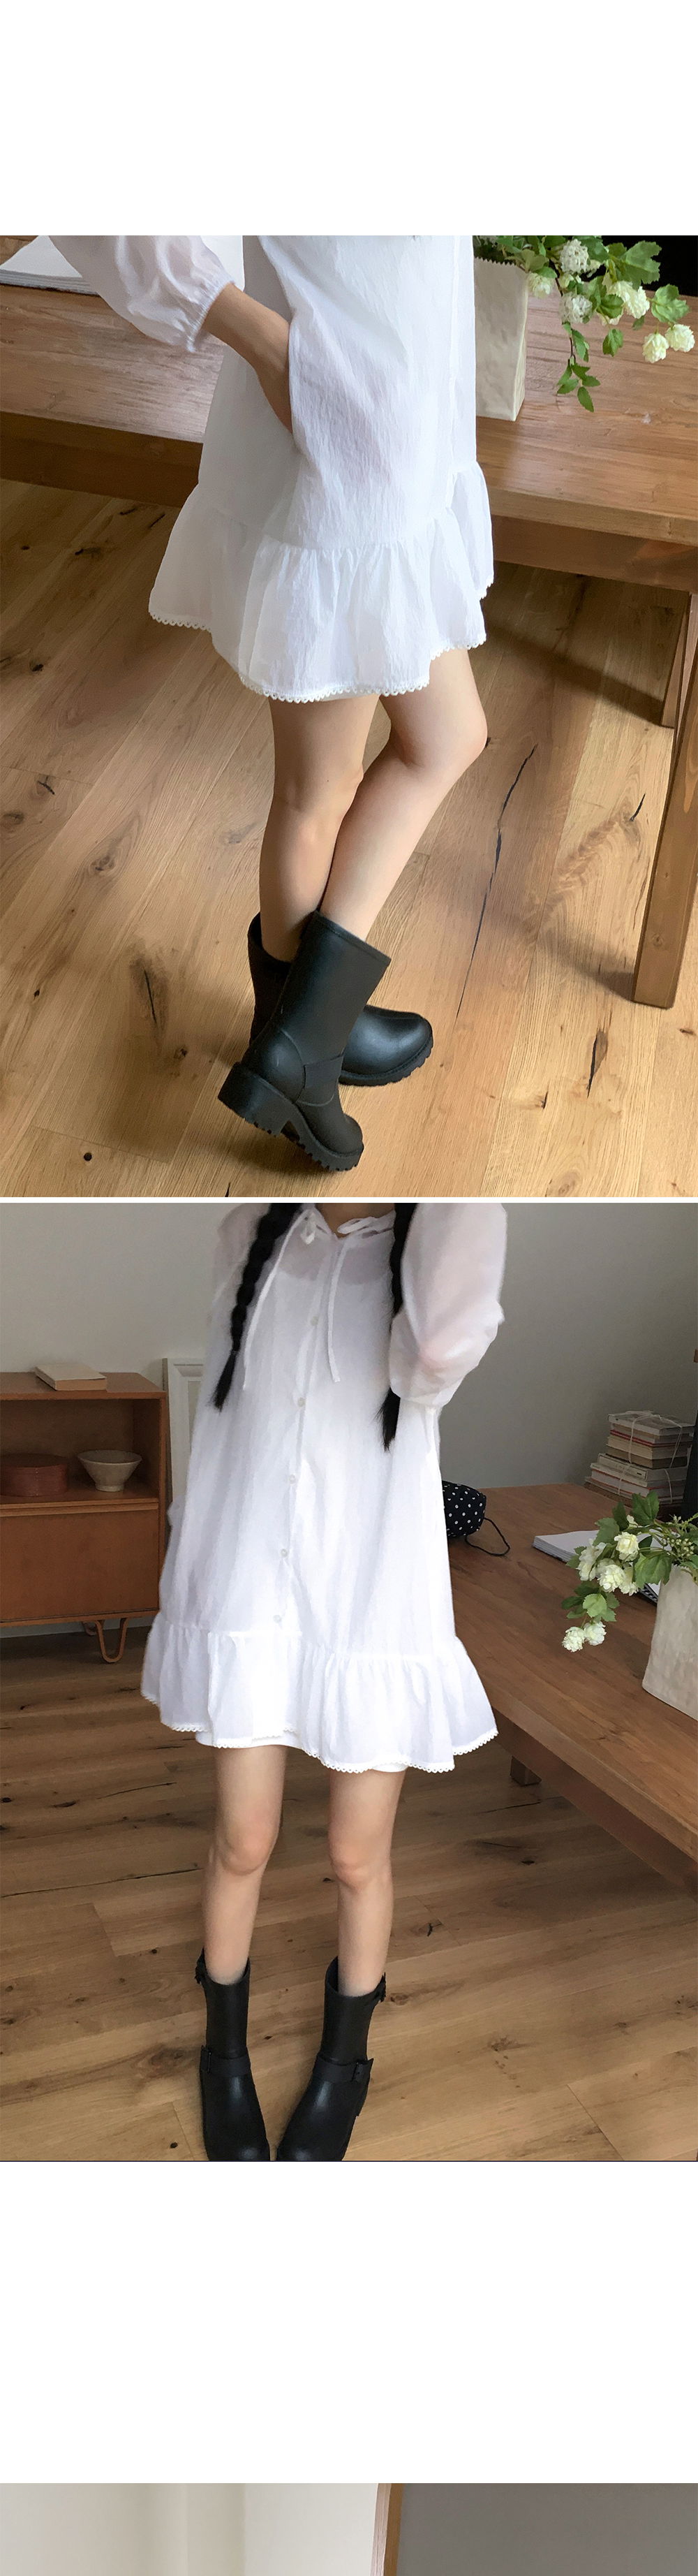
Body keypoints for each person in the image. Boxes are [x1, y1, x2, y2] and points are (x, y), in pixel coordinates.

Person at [55, 235, 492, 1167]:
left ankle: (303, 1030)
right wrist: (263, 340)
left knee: (434, 740)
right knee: (329, 782)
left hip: (392, 419)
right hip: (339, 428)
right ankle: (302, 1046)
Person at [141, 1192, 507, 2161]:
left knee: (355, 1856)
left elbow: (437, 1354)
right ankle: (223, 2053)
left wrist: (455, 1189)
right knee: (244, 1839)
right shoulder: (254, 1231)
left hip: (369, 1601)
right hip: (251, 1595)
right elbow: (226, 1428)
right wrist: (194, 1579)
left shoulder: (431, 1243)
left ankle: (345, 2062)